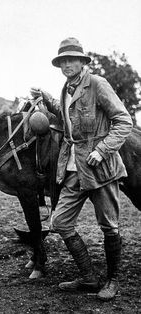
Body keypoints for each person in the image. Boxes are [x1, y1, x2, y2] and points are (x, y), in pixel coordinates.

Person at [30, 37, 133, 301]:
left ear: (82, 61)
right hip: (74, 168)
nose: (66, 65)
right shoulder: (66, 89)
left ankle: (113, 280)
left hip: (101, 168)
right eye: (62, 61)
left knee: (109, 226)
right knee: (61, 221)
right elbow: (68, 121)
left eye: (71, 59)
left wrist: (102, 150)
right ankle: (88, 277)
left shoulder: (97, 84)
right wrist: (47, 98)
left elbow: (124, 121)